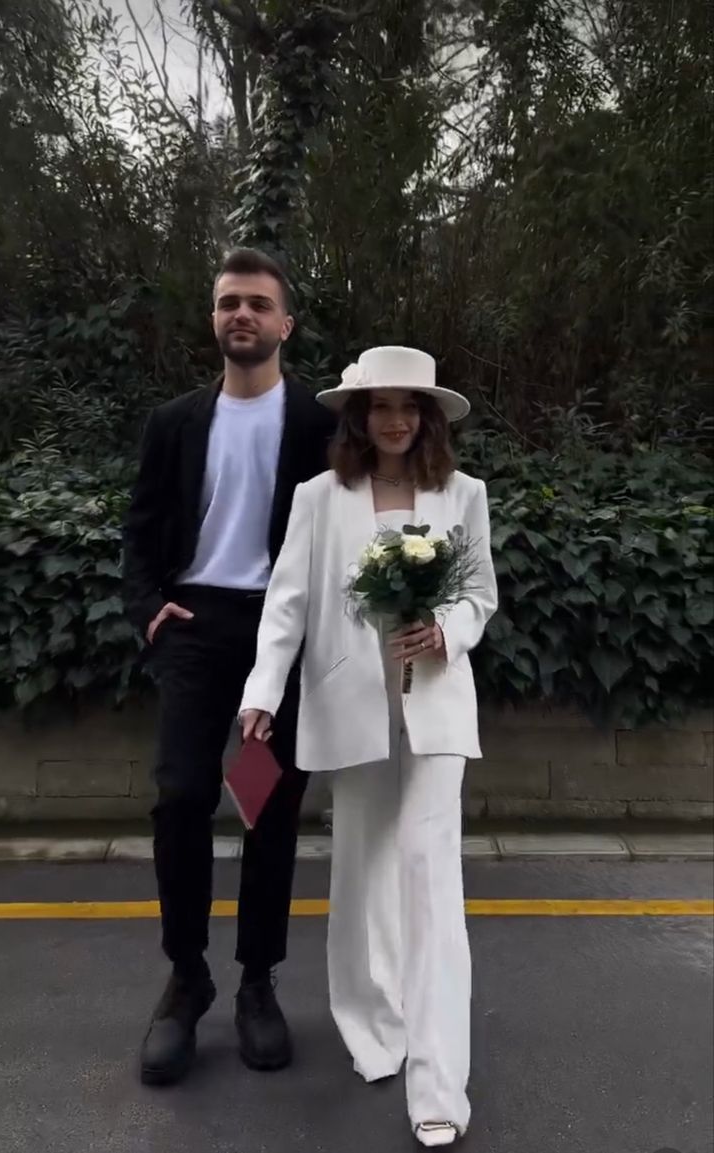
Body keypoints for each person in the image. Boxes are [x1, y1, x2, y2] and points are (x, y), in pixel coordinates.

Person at [239, 346, 498, 1147]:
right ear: (358, 416)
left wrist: (446, 629)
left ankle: (439, 1080)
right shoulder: (320, 497)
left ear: (427, 416)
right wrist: (261, 693)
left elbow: (481, 592)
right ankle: (372, 1025)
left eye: (409, 406)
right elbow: (286, 602)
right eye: (380, 405)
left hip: (436, 708)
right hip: (349, 707)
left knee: (429, 880)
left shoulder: (463, 494)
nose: (395, 419)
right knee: (359, 874)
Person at [122, 247, 336, 1086]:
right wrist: (150, 609)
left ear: (285, 323)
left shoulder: (323, 424)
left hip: (280, 630)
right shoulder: (172, 421)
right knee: (180, 793)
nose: (240, 314)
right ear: (214, 319)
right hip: (195, 625)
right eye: (226, 303)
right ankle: (187, 978)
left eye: (256, 303)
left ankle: (256, 982)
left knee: (271, 805)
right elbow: (140, 533)